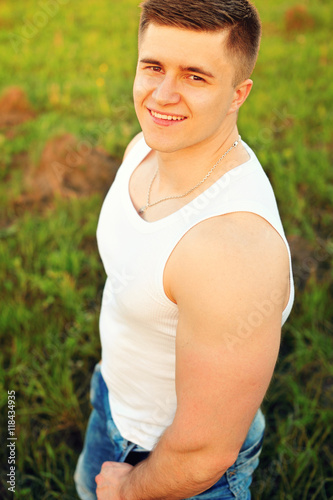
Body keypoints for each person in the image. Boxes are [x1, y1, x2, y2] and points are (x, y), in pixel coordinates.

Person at [74, 0, 294, 499]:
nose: (162, 95)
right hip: (112, 403)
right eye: (153, 66)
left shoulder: (232, 249)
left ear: (239, 94)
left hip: (177, 472)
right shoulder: (148, 146)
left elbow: (204, 452)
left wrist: (129, 490)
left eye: (196, 76)